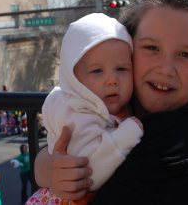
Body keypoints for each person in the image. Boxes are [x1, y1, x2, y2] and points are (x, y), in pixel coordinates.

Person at [33, 0, 188, 204]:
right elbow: (59, 149)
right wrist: (49, 170)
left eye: (185, 55)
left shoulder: (179, 152)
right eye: (151, 48)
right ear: (125, 49)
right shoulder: (110, 107)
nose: (165, 68)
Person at [26, 13, 144, 204]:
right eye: (97, 71)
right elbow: (90, 172)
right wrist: (128, 134)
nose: (112, 79)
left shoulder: (107, 107)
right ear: (74, 80)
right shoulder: (77, 114)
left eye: (122, 69)